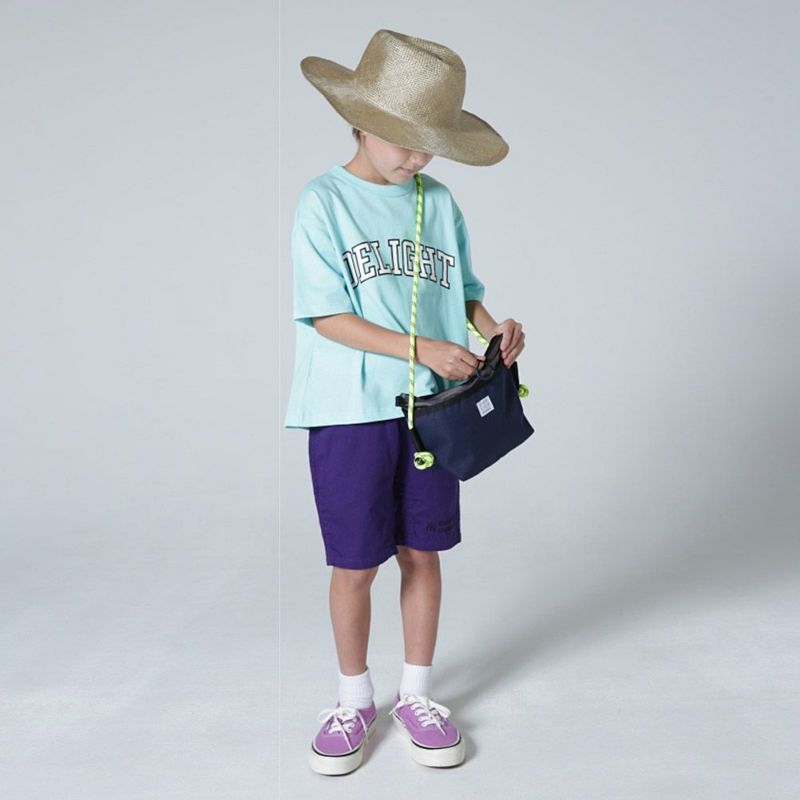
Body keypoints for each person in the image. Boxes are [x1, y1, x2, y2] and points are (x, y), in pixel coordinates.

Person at [283, 29, 526, 775]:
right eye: (405, 140)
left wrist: (493, 329)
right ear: (360, 121)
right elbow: (327, 316)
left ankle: (417, 694)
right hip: (349, 409)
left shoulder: (438, 201)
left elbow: (466, 291)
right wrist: (422, 349)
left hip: (431, 410)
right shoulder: (323, 201)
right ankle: (353, 700)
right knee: (356, 561)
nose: (417, 157)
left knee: (422, 551)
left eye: (430, 145)